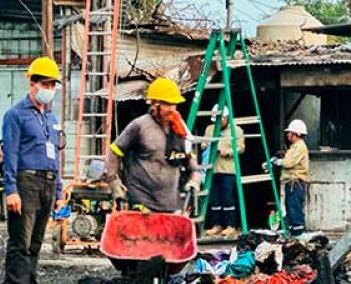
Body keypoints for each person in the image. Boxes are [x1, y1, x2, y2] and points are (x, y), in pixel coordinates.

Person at [1, 57, 65, 284]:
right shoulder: (15, 115)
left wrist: (58, 191)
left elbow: (56, 157)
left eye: (52, 85)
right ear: (33, 84)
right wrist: (11, 190)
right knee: (21, 240)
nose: (49, 90)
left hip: (47, 182)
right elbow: (10, 153)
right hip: (25, 181)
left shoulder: (51, 119)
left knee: (36, 241)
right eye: (45, 84)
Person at [104, 77, 203, 213]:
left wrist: (195, 178)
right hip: (142, 206)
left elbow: (190, 160)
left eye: (174, 104)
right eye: (166, 104)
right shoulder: (139, 126)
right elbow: (114, 152)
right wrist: (114, 182)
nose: (171, 109)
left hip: (171, 206)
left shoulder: (180, 129)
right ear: (154, 104)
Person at [203, 105, 246, 237]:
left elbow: (241, 148)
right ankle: (217, 225)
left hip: (228, 170)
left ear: (226, 118)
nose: (218, 123)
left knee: (227, 198)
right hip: (212, 169)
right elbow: (203, 144)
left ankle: (230, 225)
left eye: (220, 120)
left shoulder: (236, 131)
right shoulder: (210, 129)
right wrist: (205, 145)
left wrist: (227, 152)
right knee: (214, 199)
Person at [269, 119, 309, 236]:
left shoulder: (299, 147)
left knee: (294, 209)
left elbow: (289, 162)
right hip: (290, 183)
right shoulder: (294, 147)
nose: (288, 135)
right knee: (290, 209)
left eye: (289, 132)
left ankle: (298, 234)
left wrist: (277, 161)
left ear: (296, 133)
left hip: (295, 183)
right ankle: (292, 233)